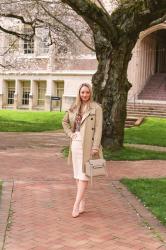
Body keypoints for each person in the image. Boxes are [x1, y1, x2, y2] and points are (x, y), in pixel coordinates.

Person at [62, 83, 103, 218]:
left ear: (90, 93)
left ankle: (75, 205)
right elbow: (65, 122)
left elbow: (98, 128)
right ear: (79, 94)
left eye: (87, 92)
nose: (85, 95)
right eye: (82, 92)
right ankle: (82, 203)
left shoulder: (96, 108)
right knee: (77, 175)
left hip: (88, 145)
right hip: (76, 144)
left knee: (84, 175)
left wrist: (95, 146)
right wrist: (71, 134)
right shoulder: (74, 107)